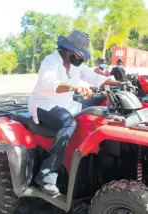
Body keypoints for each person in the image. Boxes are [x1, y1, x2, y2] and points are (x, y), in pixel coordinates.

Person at [28, 30, 124, 196]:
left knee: (98, 111)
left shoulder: (75, 64)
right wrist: (75, 87)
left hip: (66, 104)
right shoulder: (50, 61)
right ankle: (47, 175)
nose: (82, 58)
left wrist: (122, 83)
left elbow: (96, 78)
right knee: (68, 123)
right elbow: (51, 83)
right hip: (44, 104)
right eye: (80, 54)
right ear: (68, 49)